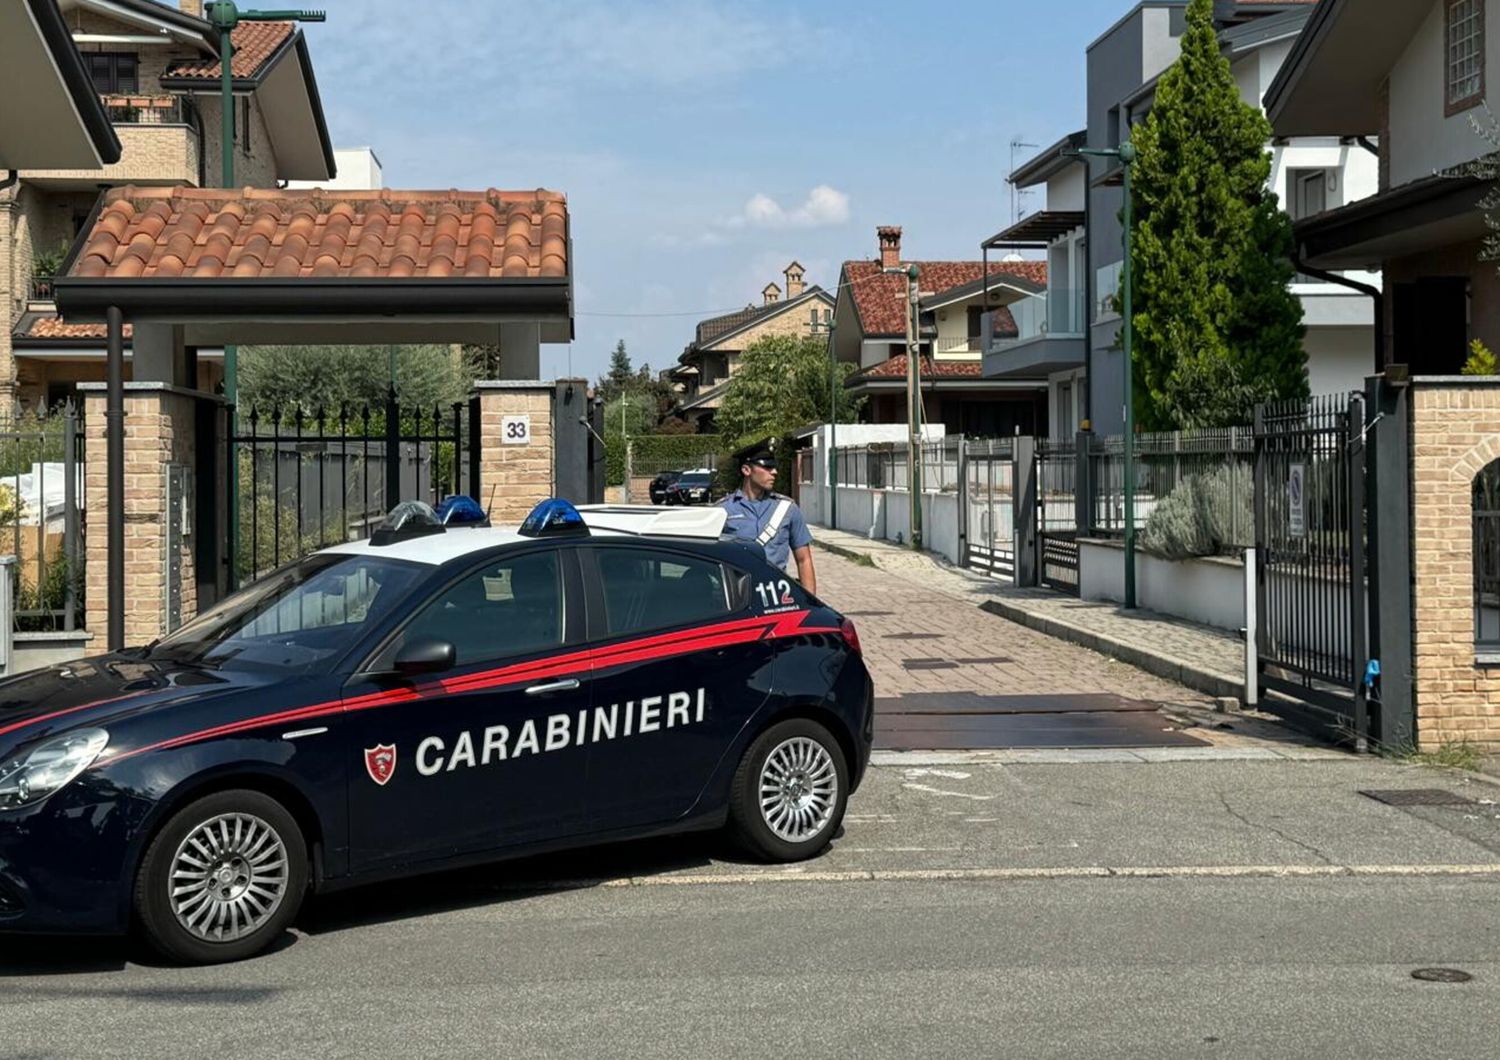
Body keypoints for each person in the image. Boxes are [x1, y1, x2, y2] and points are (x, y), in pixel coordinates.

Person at [719, 440, 817, 594]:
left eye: (774, 467)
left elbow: (804, 560)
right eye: (767, 467)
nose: (774, 472)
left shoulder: (787, 509)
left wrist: (812, 603)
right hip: (738, 598)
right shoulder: (723, 511)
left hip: (776, 597)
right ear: (746, 470)